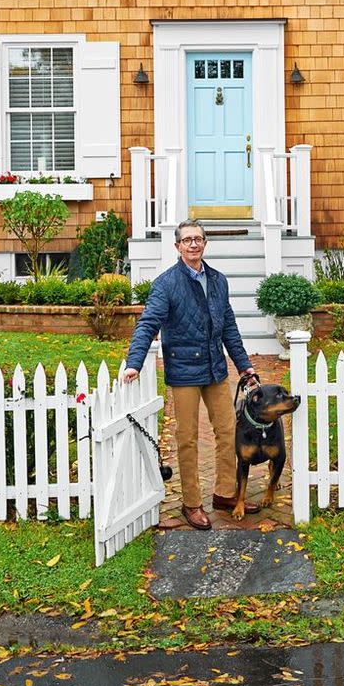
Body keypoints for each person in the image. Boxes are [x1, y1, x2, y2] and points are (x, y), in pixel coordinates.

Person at [123, 219, 259, 530]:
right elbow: (148, 324)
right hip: (184, 372)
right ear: (178, 246)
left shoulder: (218, 280)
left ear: (205, 243)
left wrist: (244, 365)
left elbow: (229, 328)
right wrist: (134, 362)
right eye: (187, 240)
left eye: (198, 239)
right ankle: (192, 503)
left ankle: (225, 493)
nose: (194, 244)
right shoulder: (166, 283)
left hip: (215, 368)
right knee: (187, 439)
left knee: (228, 432)